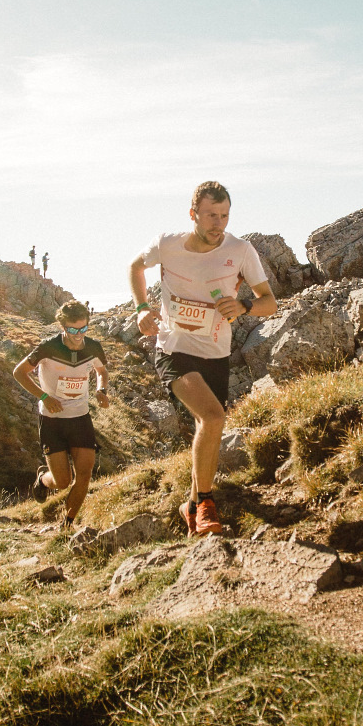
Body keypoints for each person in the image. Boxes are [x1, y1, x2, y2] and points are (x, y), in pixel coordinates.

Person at [130, 181, 277, 535]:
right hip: (173, 348)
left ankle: (191, 505)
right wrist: (141, 309)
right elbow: (136, 267)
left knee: (206, 425)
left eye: (224, 216)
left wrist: (243, 306)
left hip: (215, 351)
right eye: (211, 215)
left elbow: (269, 302)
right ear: (193, 214)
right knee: (213, 417)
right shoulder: (167, 244)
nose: (218, 224)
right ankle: (208, 505)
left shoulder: (241, 250)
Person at [13, 300, 110, 530]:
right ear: (63, 327)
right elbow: (19, 372)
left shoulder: (94, 347)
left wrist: (101, 389)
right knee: (63, 482)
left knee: (84, 476)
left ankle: (66, 525)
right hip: (52, 420)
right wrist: (44, 397)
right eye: (73, 330)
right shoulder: (48, 347)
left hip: (80, 418)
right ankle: (43, 480)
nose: (79, 335)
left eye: (83, 328)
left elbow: (102, 371)